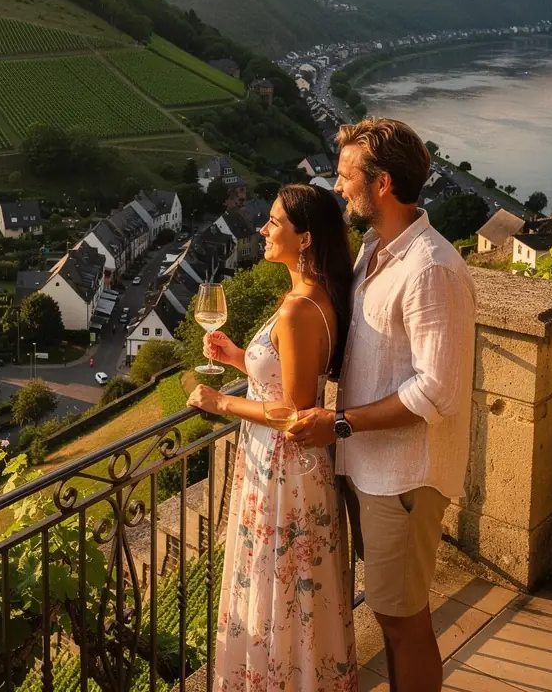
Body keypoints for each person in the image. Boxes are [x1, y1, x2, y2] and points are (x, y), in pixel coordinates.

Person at [288, 118, 477, 692]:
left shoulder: (431, 268)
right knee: (390, 614)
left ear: (383, 184)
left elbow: (435, 391)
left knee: (402, 619)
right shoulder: (375, 249)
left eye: (346, 176)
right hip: (370, 468)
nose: (338, 185)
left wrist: (339, 422)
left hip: (403, 477)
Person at [188, 183, 358, 692]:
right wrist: (239, 358)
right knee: (293, 598)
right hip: (290, 468)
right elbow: (289, 377)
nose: (263, 229)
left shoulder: (298, 309)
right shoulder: (312, 296)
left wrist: (221, 402)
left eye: (274, 222)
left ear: (304, 238)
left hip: (285, 469)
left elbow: (295, 411)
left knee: (277, 590)